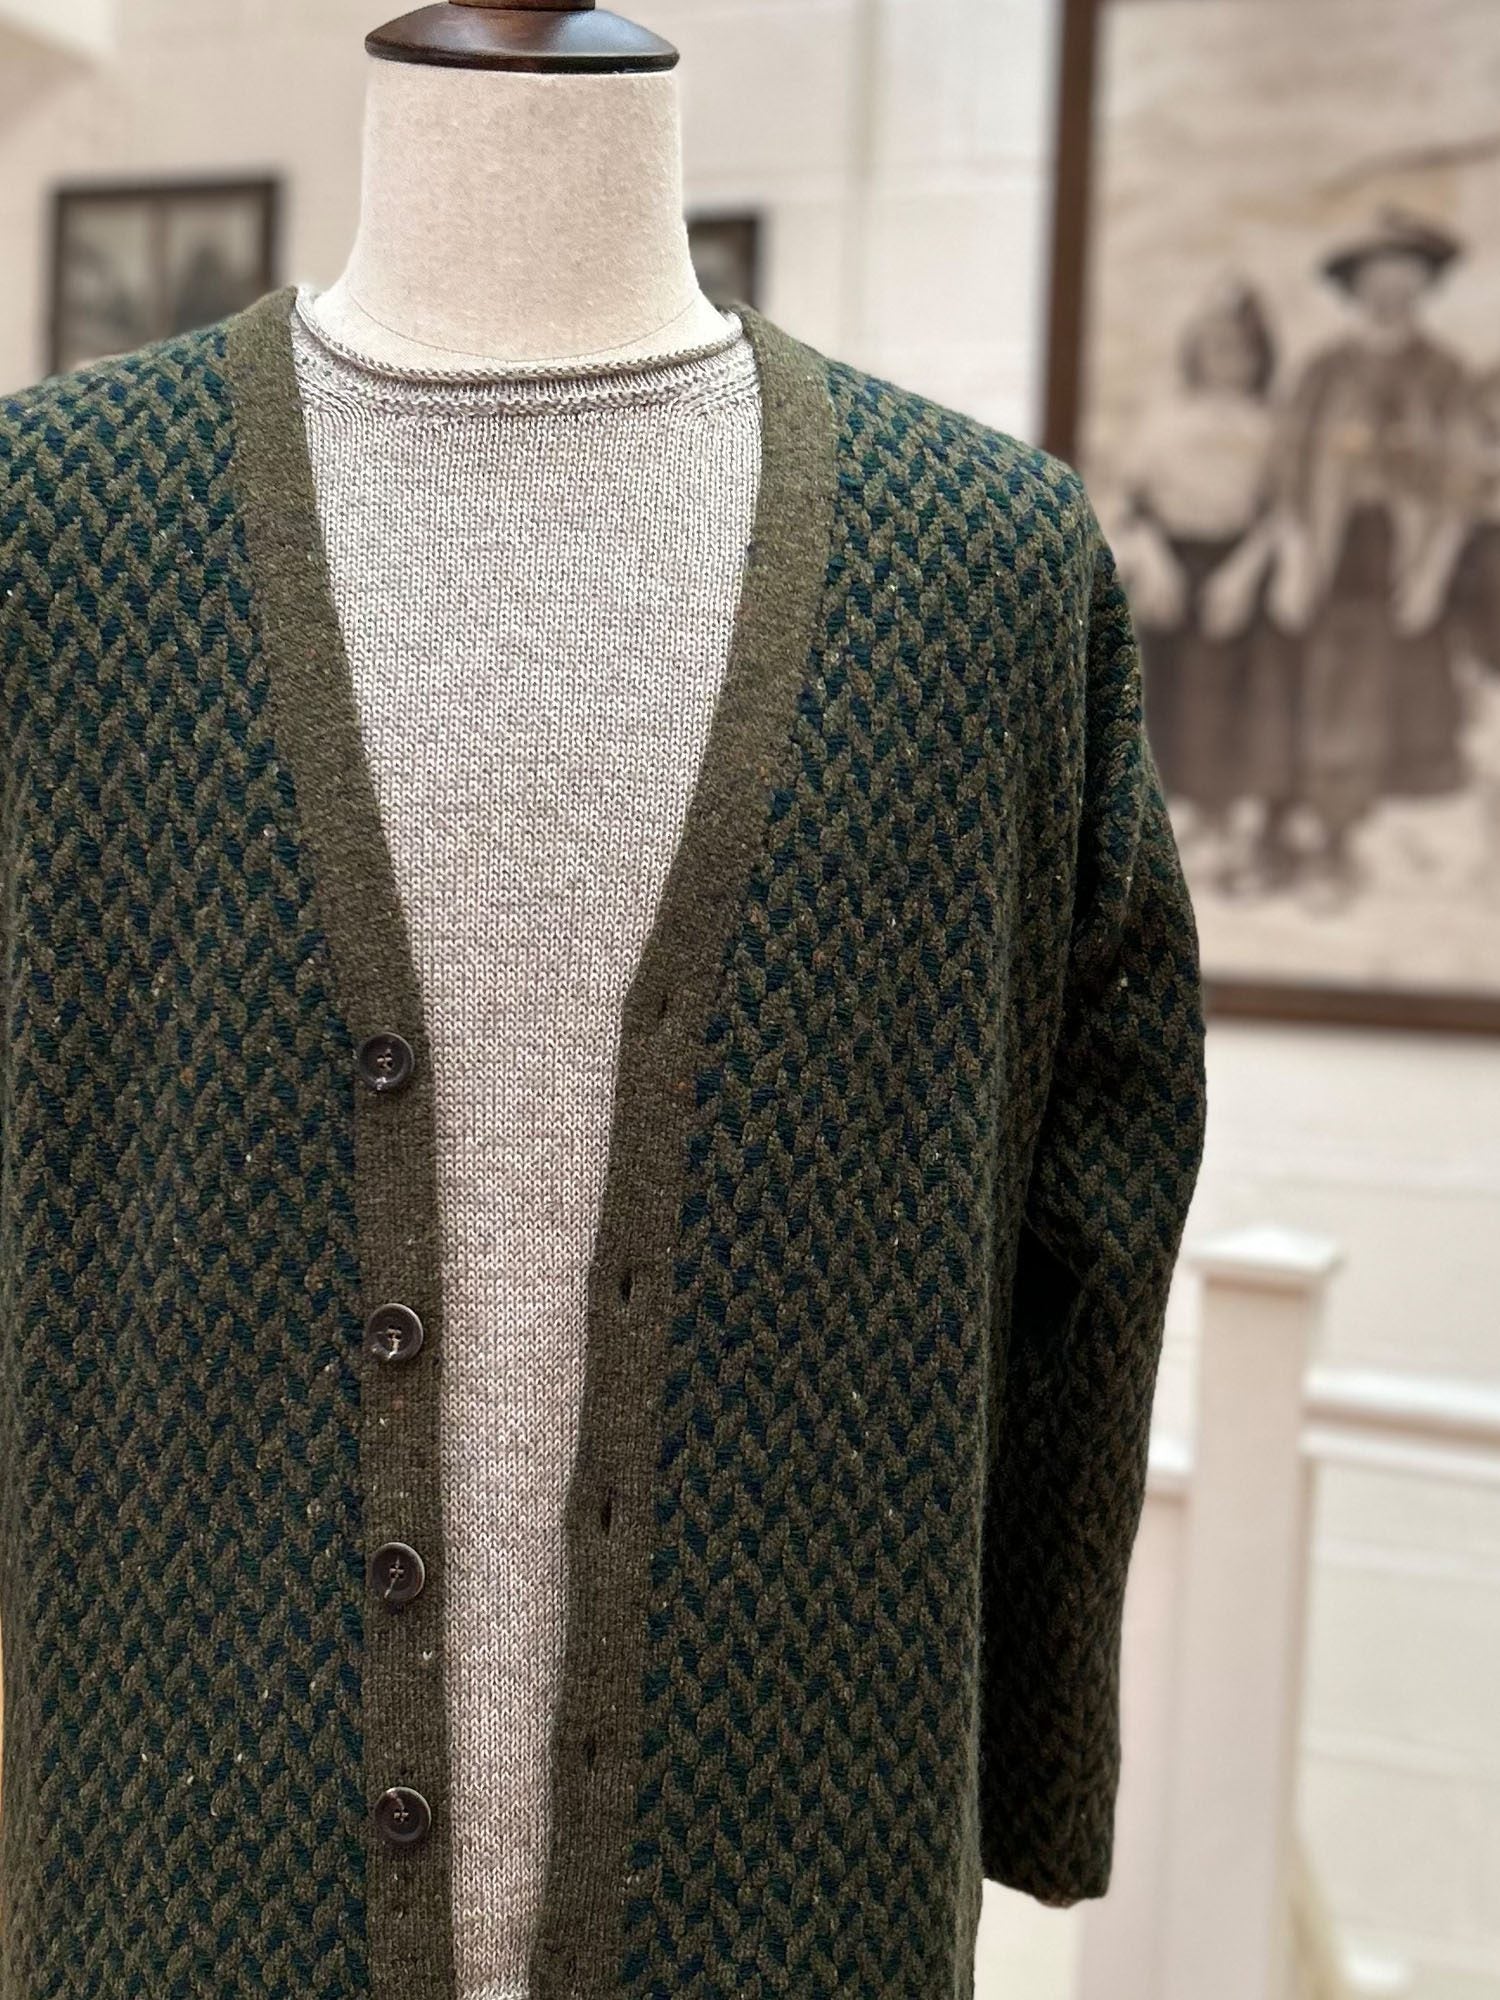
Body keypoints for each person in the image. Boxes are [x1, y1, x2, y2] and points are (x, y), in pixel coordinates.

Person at [1267, 207, 1475, 901]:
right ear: (1354, 290)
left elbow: (1460, 481)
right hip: (1336, 542)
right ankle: (1323, 832)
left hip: (1405, 546)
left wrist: (1433, 569)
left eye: (1405, 283)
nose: (1390, 297)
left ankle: (1364, 834)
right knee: (1333, 676)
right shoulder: (1322, 371)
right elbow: (1289, 470)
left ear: (1424, 288)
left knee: (1400, 683)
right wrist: (1296, 553)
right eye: (1376, 283)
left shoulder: (1446, 373)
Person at [1108, 280, 1298, 890]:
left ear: (1260, 355)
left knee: (1235, 687)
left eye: (1241, 348)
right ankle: (1175, 828)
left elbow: (1281, 512)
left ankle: (1237, 826)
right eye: (1215, 346)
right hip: (1171, 561)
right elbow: (1130, 505)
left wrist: (1243, 574)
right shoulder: (1164, 420)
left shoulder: (1271, 425)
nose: (1227, 361)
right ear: (1195, 350)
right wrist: (1154, 558)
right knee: (1163, 685)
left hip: (1238, 564)